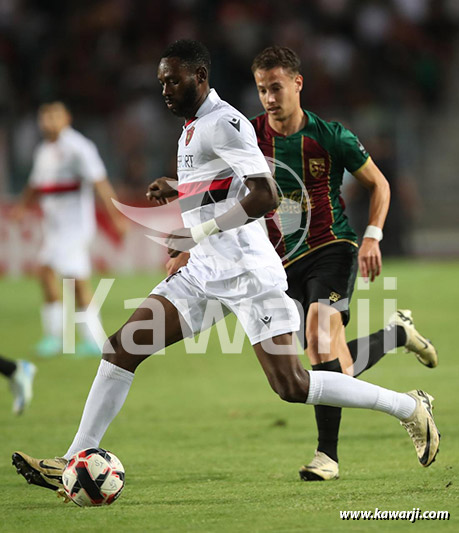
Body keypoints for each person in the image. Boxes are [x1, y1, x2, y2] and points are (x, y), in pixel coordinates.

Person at [12, 40, 439, 500]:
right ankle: (75, 457)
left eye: (172, 80)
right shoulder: (192, 128)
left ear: (199, 77)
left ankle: (407, 406)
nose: (164, 90)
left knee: (292, 385)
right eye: (160, 82)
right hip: (203, 276)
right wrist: (179, 196)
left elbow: (264, 195)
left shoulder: (227, 122)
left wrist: (194, 236)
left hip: (250, 276)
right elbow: (221, 190)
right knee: (121, 347)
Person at [166, 46, 439, 481]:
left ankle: (326, 456)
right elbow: (220, 190)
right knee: (334, 368)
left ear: (297, 84)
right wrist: (189, 244)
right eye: (261, 90)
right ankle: (394, 335)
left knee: (318, 342)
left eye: (276, 87)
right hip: (277, 260)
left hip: (332, 247)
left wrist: (373, 236)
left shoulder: (330, 136)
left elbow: (379, 185)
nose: (269, 98)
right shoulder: (248, 133)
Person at [13, 102, 126, 357]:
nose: (48, 121)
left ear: (67, 118)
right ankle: (61, 338)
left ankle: (87, 340)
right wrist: (21, 207)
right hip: (54, 228)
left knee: (68, 278)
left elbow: (100, 183)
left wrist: (116, 218)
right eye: (44, 116)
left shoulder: (79, 148)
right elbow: (35, 184)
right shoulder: (43, 150)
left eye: (54, 116)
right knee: (48, 274)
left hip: (75, 228)